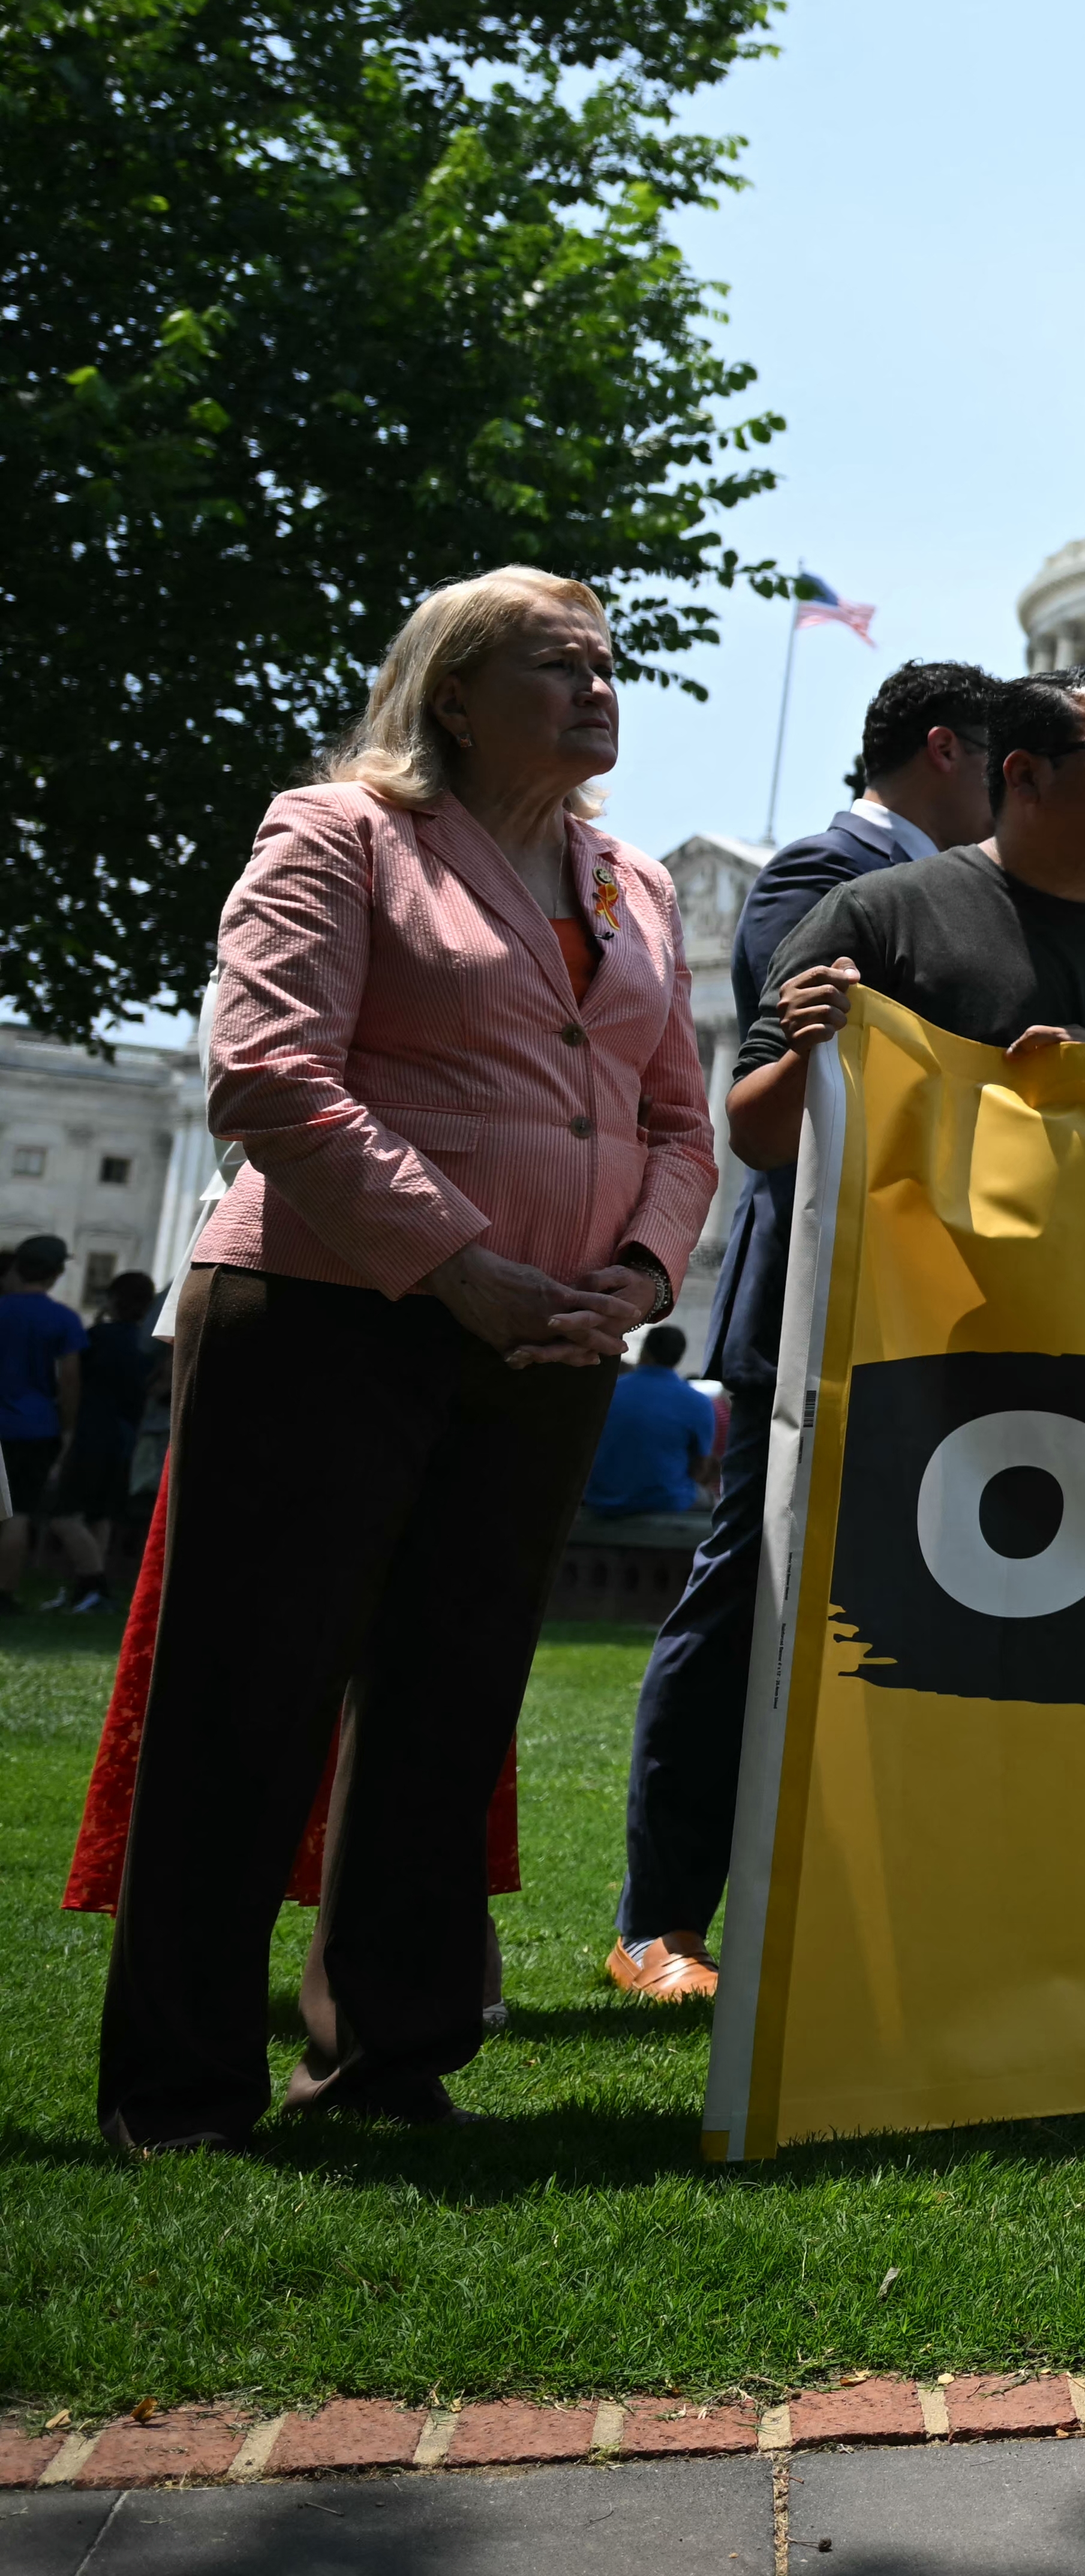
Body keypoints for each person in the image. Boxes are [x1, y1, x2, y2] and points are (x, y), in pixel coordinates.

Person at [92, 566, 714, 2154]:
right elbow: (269, 1074)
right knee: (251, 1695)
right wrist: (458, 1265)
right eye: (555, 666)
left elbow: (673, 1118)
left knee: (452, 1697)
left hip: (558, 1333)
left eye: (605, 665)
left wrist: (633, 1273)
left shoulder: (632, 881)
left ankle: (393, 2054)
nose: (598, 689)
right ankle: (182, 2087)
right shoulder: (340, 835)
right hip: (327, 1310)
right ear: (450, 691)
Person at [606, 659, 999, 2004]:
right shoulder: (817, 876)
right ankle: (659, 1917)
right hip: (813, 1300)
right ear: (946, 752)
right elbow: (799, 1066)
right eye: (1001, 760)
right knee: (743, 1604)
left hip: (944, 1300)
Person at [725, 668, 1085, 1181]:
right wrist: (807, 1054)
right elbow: (755, 1139)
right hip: (918, 1274)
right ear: (1025, 774)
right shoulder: (879, 914)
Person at [52, 1271, 163, 1615]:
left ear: (113, 1299)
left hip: (92, 1432)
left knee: (63, 1514)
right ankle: (87, 1591)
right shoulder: (145, 1346)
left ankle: (95, 1583)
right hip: (125, 1435)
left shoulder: (98, 1338)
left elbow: (72, 1380)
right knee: (100, 1516)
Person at [0, 1233, 85, 1611]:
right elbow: (69, 1381)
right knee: (17, 1514)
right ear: (55, 1276)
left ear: (17, 1267)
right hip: (35, 1426)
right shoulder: (64, 1319)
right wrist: (68, 1428)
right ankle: (5, 1594)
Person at [584, 1324, 723, 1518]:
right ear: (679, 1357)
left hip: (600, 1497)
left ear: (644, 1351)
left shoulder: (607, 1392)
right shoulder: (698, 1402)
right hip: (667, 1500)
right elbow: (701, 1466)